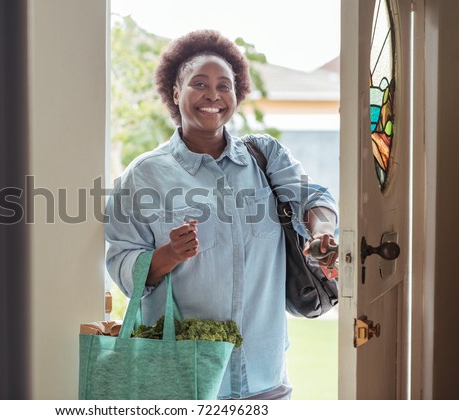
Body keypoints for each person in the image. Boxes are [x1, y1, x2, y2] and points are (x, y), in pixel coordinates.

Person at [105, 29, 338, 400]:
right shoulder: (144, 175)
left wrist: (322, 233)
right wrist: (168, 255)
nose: (213, 95)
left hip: (265, 378)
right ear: (175, 92)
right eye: (199, 83)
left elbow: (313, 198)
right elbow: (120, 262)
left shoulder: (264, 157)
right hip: (185, 378)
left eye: (224, 85)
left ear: (237, 94)